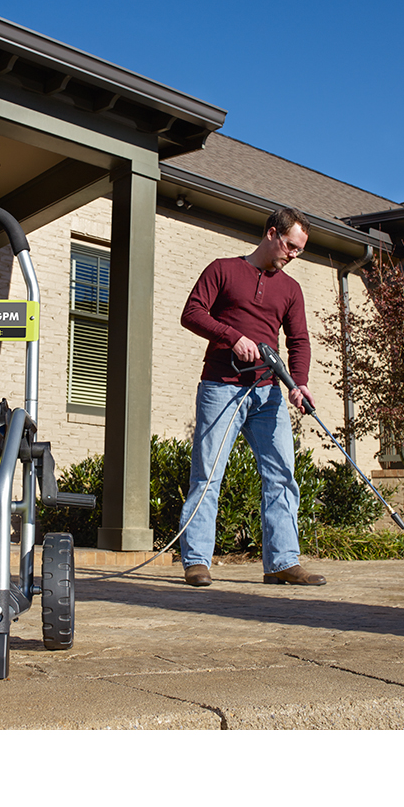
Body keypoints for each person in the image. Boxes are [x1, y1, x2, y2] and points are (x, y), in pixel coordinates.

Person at [177, 207, 325, 588]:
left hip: (268, 393)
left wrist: (300, 382)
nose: (294, 255)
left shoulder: (290, 289)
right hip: (221, 388)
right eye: (291, 246)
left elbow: (299, 340)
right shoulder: (223, 270)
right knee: (208, 475)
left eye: (300, 250)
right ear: (272, 233)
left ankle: (282, 562)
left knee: (282, 475)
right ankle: (196, 561)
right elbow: (191, 313)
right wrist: (232, 337)